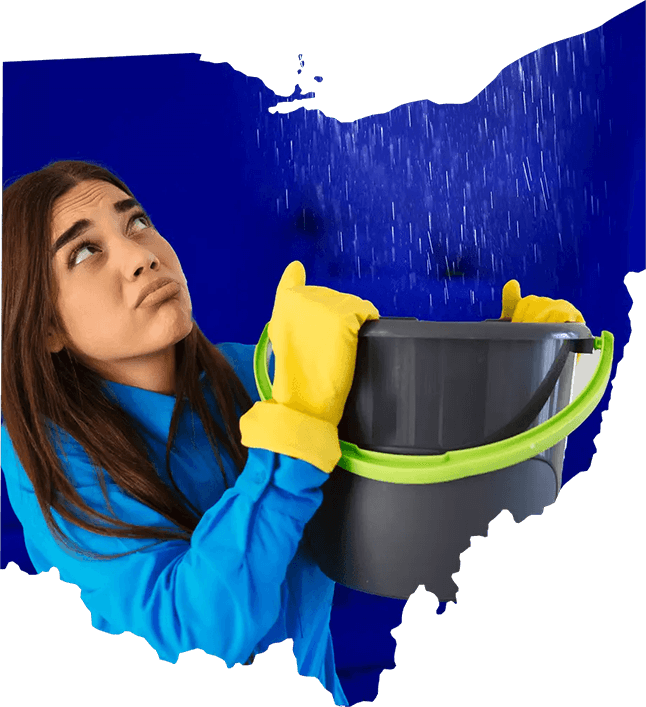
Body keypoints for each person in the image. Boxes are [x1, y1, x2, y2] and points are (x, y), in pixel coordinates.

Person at [1, 160, 381, 707]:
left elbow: (417, 455)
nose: (141, 255)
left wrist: (528, 364)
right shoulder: (46, 457)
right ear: (45, 328)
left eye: (136, 223)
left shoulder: (261, 378)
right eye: (85, 252)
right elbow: (191, 646)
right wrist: (293, 436)